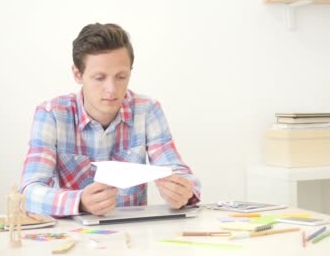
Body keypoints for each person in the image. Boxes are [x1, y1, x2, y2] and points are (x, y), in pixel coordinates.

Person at [19, 23, 201, 217]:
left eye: (121, 77)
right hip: (72, 236)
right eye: (99, 77)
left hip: (131, 236)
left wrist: (184, 192)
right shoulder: (51, 114)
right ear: (77, 74)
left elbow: (177, 171)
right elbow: (28, 193)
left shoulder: (147, 110)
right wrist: (80, 201)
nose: (111, 89)